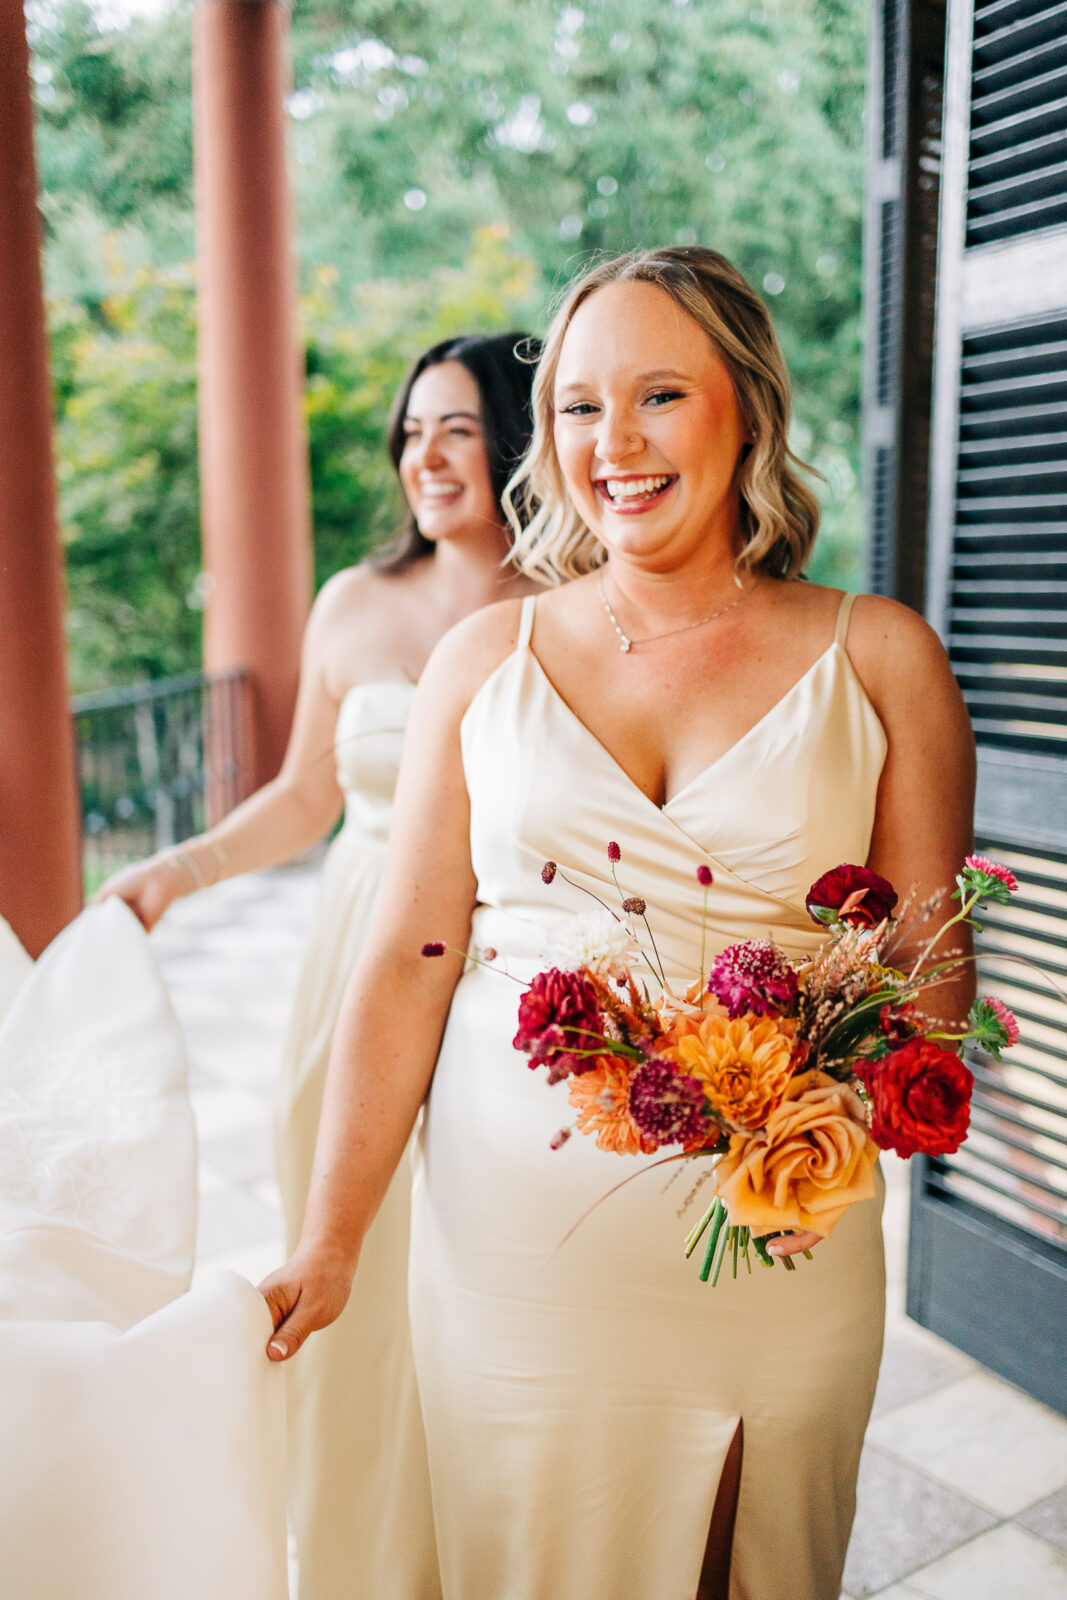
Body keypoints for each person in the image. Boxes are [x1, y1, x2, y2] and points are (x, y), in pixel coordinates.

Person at [259, 249, 975, 1600]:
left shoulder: (878, 657)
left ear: (745, 412)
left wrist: (787, 1063)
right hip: (509, 1264)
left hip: (777, 1247)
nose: (613, 444)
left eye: (657, 396)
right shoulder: (483, 661)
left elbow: (928, 996)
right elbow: (407, 964)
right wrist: (334, 1238)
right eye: (578, 408)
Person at [98, 330, 541, 1600]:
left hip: (504, 975)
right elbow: (303, 798)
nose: (424, 455)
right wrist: (173, 872)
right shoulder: (352, 601)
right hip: (353, 968)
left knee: (485, 1277)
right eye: (410, 432)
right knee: (351, 1274)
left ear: (511, 437)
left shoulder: (572, 602)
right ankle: (366, 1567)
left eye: (455, 427)